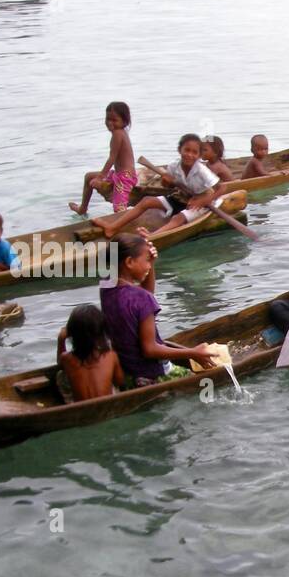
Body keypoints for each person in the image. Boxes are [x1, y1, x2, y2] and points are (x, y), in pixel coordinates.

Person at [98, 233, 214, 386]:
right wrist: (193, 353)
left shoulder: (106, 286)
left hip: (127, 369)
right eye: (146, 261)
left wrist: (150, 263)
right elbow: (150, 350)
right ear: (129, 262)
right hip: (152, 373)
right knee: (207, 380)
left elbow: (144, 296)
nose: (148, 266)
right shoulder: (142, 298)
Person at [90, 134, 218, 238]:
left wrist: (203, 200)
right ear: (180, 150)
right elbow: (166, 185)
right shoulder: (174, 166)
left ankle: (151, 237)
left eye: (194, 152)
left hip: (202, 203)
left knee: (178, 218)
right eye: (187, 150)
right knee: (146, 201)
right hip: (182, 197)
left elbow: (221, 189)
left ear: (199, 156)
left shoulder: (202, 170)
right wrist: (166, 181)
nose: (190, 154)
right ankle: (112, 227)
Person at [70, 101, 136, 214]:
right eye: (108, 119)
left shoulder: (118, 134)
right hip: (118, 174)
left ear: (125, 121)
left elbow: (112, 158)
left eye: (114, 120)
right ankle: (83, 209)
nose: (110, 123)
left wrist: (100, 177)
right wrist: (99, 177)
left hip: (125, 177)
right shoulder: (119, 132)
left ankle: (121, 222)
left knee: (118, 208)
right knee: (89, 177)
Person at [57, 304, 125, 401]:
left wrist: (61, 339)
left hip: (81, 409)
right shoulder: (111, 355)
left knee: (60, 375)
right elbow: (120, 381)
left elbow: (60, 363)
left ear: (72, 334)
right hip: (107, 405)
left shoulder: (66, 358)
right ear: (102, 333)